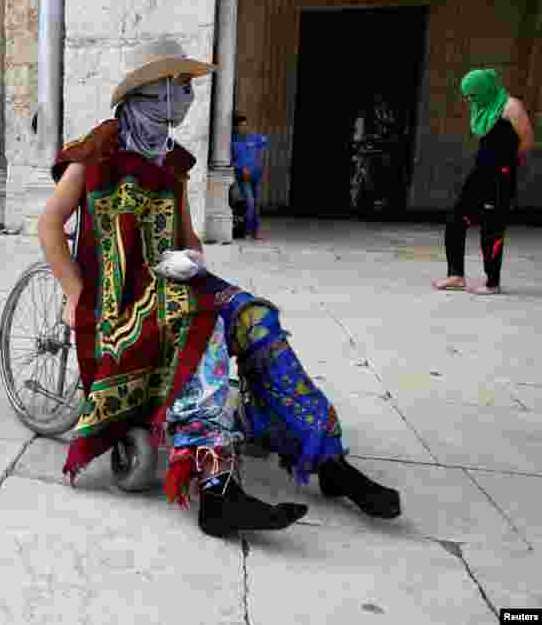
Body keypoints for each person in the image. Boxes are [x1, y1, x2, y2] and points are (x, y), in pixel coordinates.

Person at [37, 39, 401, 538]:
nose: (187, 95)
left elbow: (186, 235)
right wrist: (74, 292)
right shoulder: (96, 150)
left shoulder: (171, 160)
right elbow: (50, 226)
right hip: (119, 293)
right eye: (179, 85)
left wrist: (193, 259)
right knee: (199, 317)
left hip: (172, 278)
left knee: (254, 316)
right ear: (151, 89)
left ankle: (326, 457)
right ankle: (215, 485)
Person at [433, 69, 534, 295]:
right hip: (481, 171)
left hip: (501, 174)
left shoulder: (511, 107)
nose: (470, 100)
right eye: (468, 95)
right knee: (456, 219)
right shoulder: (482, 105)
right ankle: (456, 275)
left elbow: (527, 140)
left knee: (492, 228)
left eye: (473, 94)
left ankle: (492, 283)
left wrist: (507, 163)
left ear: (485, 89)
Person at [231, 113, 269, 239]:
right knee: (250, 203)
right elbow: (231, 161)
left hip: (255, 176)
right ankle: (246, 231)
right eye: (241, 126)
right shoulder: (232, 141)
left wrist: (259, 163)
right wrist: (241, 168)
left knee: (257, 204)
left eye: (245, 125)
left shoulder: (254, 138)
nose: (243, 128)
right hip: (244, 177)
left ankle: (255, 232)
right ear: (235, 127)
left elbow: (265, 141)